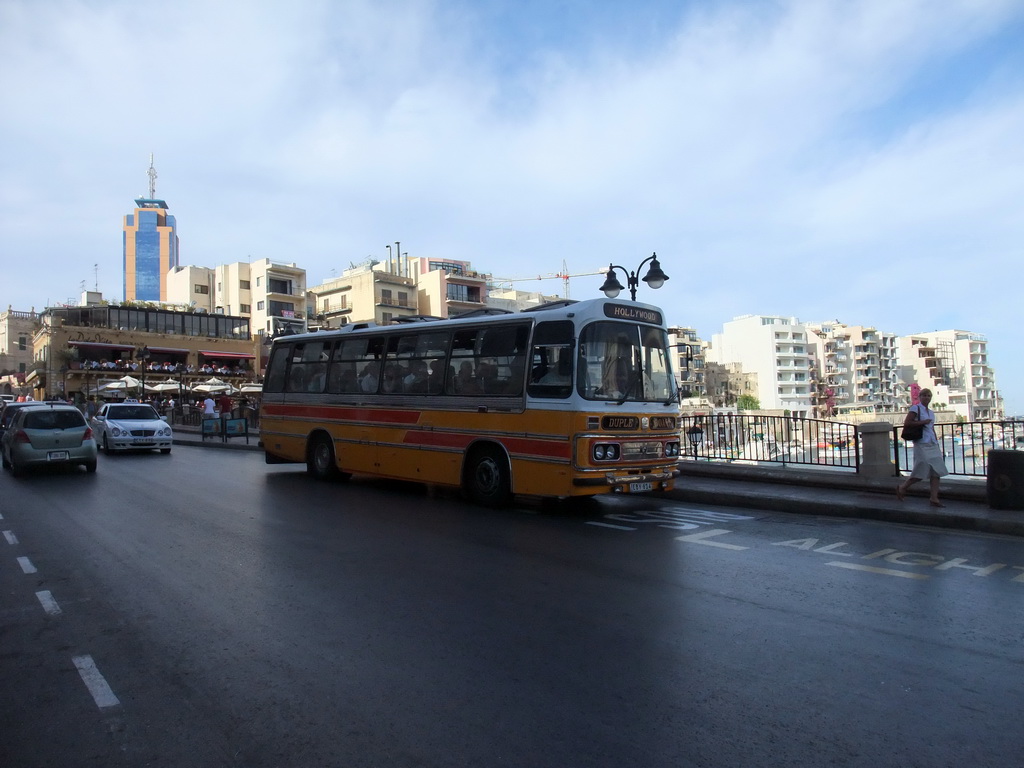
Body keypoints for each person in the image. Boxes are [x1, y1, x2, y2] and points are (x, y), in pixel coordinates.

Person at [896, 388, 949, 507]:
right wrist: (922, 422)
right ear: (920, 397)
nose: (926, 397)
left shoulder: (931, 412)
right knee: (921, 469)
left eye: (928, 395)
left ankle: (934, 498)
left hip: (932, 443)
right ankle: (903, 487)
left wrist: (936, 438)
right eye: (924, 395)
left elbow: (931, 427)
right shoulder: (916, 408)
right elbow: (907, 423)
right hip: (921, 442)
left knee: (936, 471)